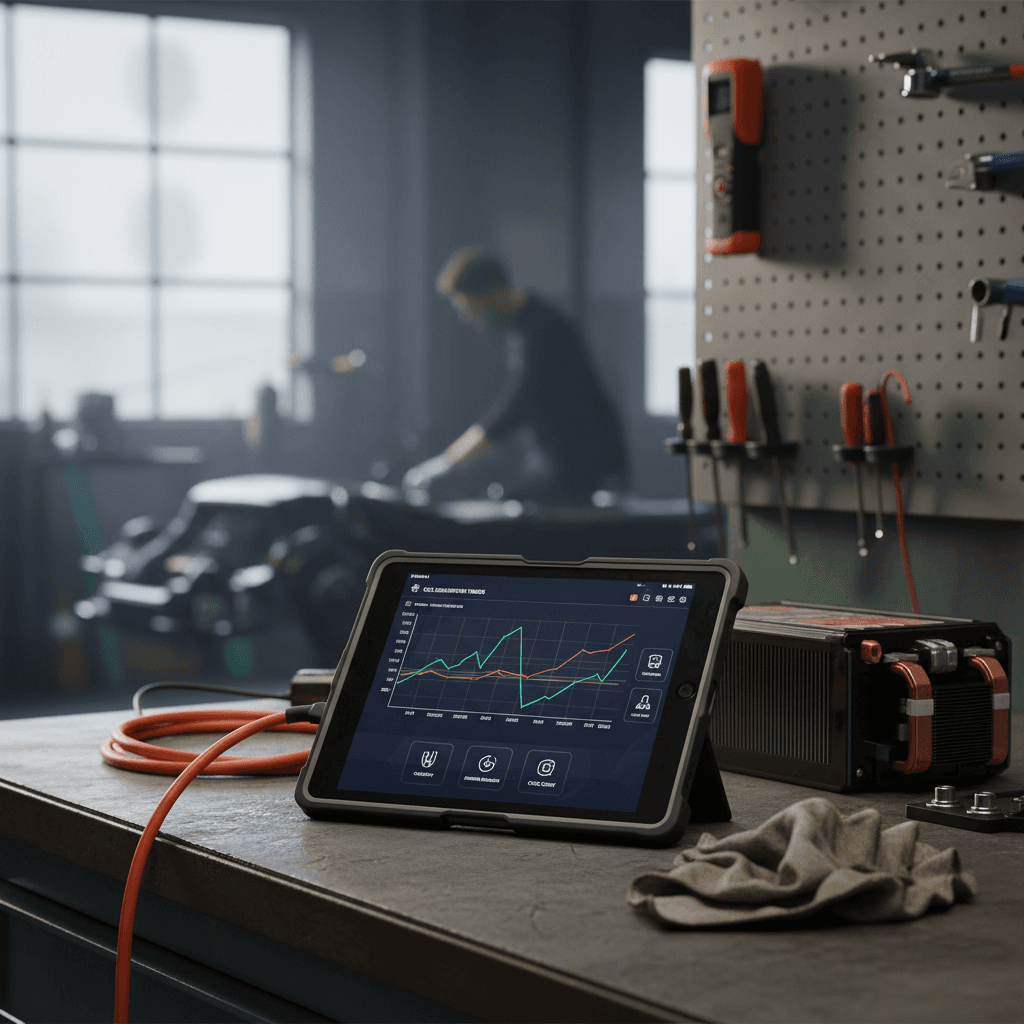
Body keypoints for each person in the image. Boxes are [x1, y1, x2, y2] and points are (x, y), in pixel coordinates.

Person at [403, 248, 629, 502]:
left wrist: (445, 463)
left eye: (469, 307)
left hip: (587, 470)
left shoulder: (543, 332)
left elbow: (514, 408)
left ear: (490, 293)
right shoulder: (529, 328)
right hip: (569, 465)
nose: (467, 318)